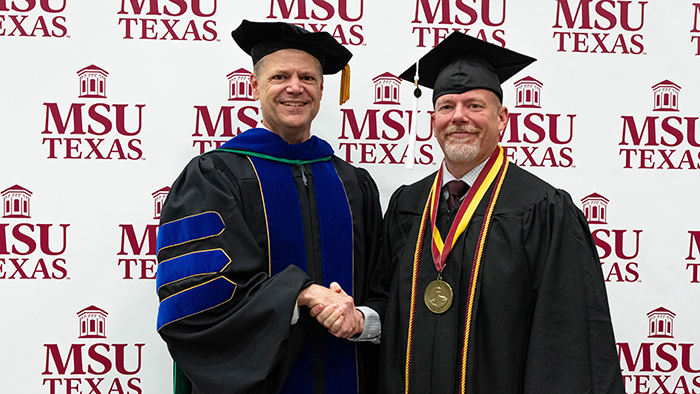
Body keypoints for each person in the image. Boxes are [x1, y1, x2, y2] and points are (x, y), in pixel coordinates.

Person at [365, 32, 625, 393]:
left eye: (474, 105)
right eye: (447, 106)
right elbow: (385, 303)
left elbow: (568, 336)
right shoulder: (408, 205)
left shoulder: (542, 209)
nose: (459, 117)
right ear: (433, 119)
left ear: (502, 118)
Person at [155, 20, 382, 394]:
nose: (295, 87)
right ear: (255, 87)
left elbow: (383, 284)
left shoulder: (352, 183)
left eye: (307, 78)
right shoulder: (215, 176)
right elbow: (200, 296)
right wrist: (303, 292)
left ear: (322, 89)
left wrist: (361, 318)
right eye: (280, 77)